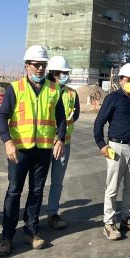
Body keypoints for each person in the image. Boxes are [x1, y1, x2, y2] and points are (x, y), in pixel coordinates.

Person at [0, 46, 66, 257]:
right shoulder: (14, 88)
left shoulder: (54, 89)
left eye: (43, 65)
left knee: (36, 192)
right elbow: (1, 117)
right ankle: (7, 236)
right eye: (36, 65)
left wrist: (60, 138)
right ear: (26, 66)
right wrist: (7, 141)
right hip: (19, 151)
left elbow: (61, 118)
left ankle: (31, 231)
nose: (40, 69)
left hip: (43, 150)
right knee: (14, 191)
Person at [94, 63, 130, 240]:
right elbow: (99, 123)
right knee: (112, 187)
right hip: (115, 147)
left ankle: (126, 218)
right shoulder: (113, 99)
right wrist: (102, 144)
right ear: (121, 80)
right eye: (129, 80)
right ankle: (109, 223)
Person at [45, 55, 79, 230]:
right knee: (38, 182)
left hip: (63, 143)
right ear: (54, 73)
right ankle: (33, 216)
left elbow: (76, 115)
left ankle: (52, 214)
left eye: (67, 72)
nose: (66, 75)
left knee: (57, 181)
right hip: (43, 143)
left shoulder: (72, 94)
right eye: (63, 72)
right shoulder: (45, 91)